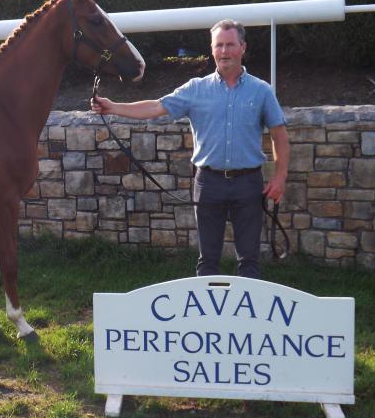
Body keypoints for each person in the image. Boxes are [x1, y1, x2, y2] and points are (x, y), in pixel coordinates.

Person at [91, 19, 289, 278]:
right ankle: (206, 319)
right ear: (212, 49)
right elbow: (155, 107)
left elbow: (279, 135)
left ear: (242, 47)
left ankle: (243, 318)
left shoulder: (261, 91)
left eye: (230, 45)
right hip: (208, 183)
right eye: (219, 45)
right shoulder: (196, 89)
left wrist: (280, 177)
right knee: (207, 261)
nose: (224, 51)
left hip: (248, 183)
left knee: (249, 261)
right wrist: (113, 106)